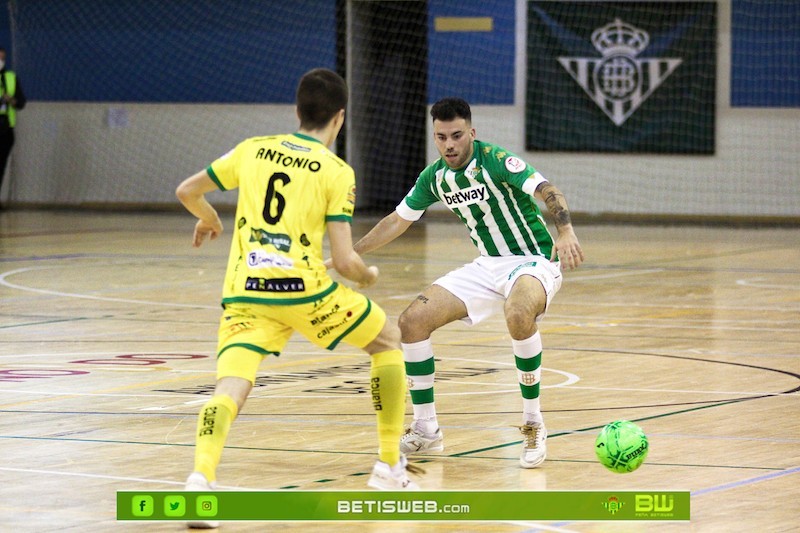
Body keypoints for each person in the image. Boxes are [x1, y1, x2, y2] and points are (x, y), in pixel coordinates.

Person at [176, 68, 419, 527]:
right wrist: (367, 276)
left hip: (245, 291)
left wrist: (209, 217)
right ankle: (389, 466)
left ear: (297, 110)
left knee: (231, 385)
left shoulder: (253, 150)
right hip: (303, 290)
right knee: (387, 340)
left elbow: (187, 190)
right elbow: (345, 261)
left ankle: (199, 480)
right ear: (340, 118)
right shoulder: (335, 171)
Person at [348, 97, 584, 469]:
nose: (449, 145)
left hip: (533, 260)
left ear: (471, 133)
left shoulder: (496, 160)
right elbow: (398, 220)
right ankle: (427, 430)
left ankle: (533, 423)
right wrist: (351, 251)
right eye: (441, 137)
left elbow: (547, 190)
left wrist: (566, 230)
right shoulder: (435, 177)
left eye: (457, 135)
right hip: (487, 266)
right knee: (411, 322)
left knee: (519, 310)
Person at [0, 47, 26, 202]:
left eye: (2, 59)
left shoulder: (11, 77)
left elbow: (21, 103)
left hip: (5, 127)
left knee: (1, 165)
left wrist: (11, 100)